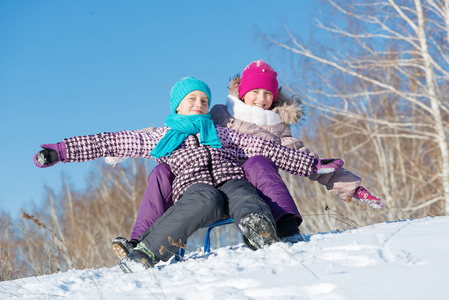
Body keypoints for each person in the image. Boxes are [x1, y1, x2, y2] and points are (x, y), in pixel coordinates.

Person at [33, 77, 345, 272]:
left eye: (205, 100)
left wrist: (314, 166)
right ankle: (146, 252)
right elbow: (110, 141)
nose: (200, 104)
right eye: (192, 99)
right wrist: (60, 151)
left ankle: (259, 230)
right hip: (194, 190)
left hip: (231, 181)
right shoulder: (161, 136)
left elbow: (272, 151)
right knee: (205, 198)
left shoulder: (225, 134)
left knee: (245, 193)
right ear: (177, 106)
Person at [109, 60, 385, 258]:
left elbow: (303, 160)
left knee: (258, 162)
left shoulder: (278, 130)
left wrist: (353, 188)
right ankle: (139, 240)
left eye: (268, 93)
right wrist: (123, 147)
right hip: (198, 185)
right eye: (255, 92)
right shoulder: (219, 116)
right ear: (241, 93)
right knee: (161, 171)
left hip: (244, 190)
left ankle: (282, 224)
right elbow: (174, 129)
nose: (261, 99)